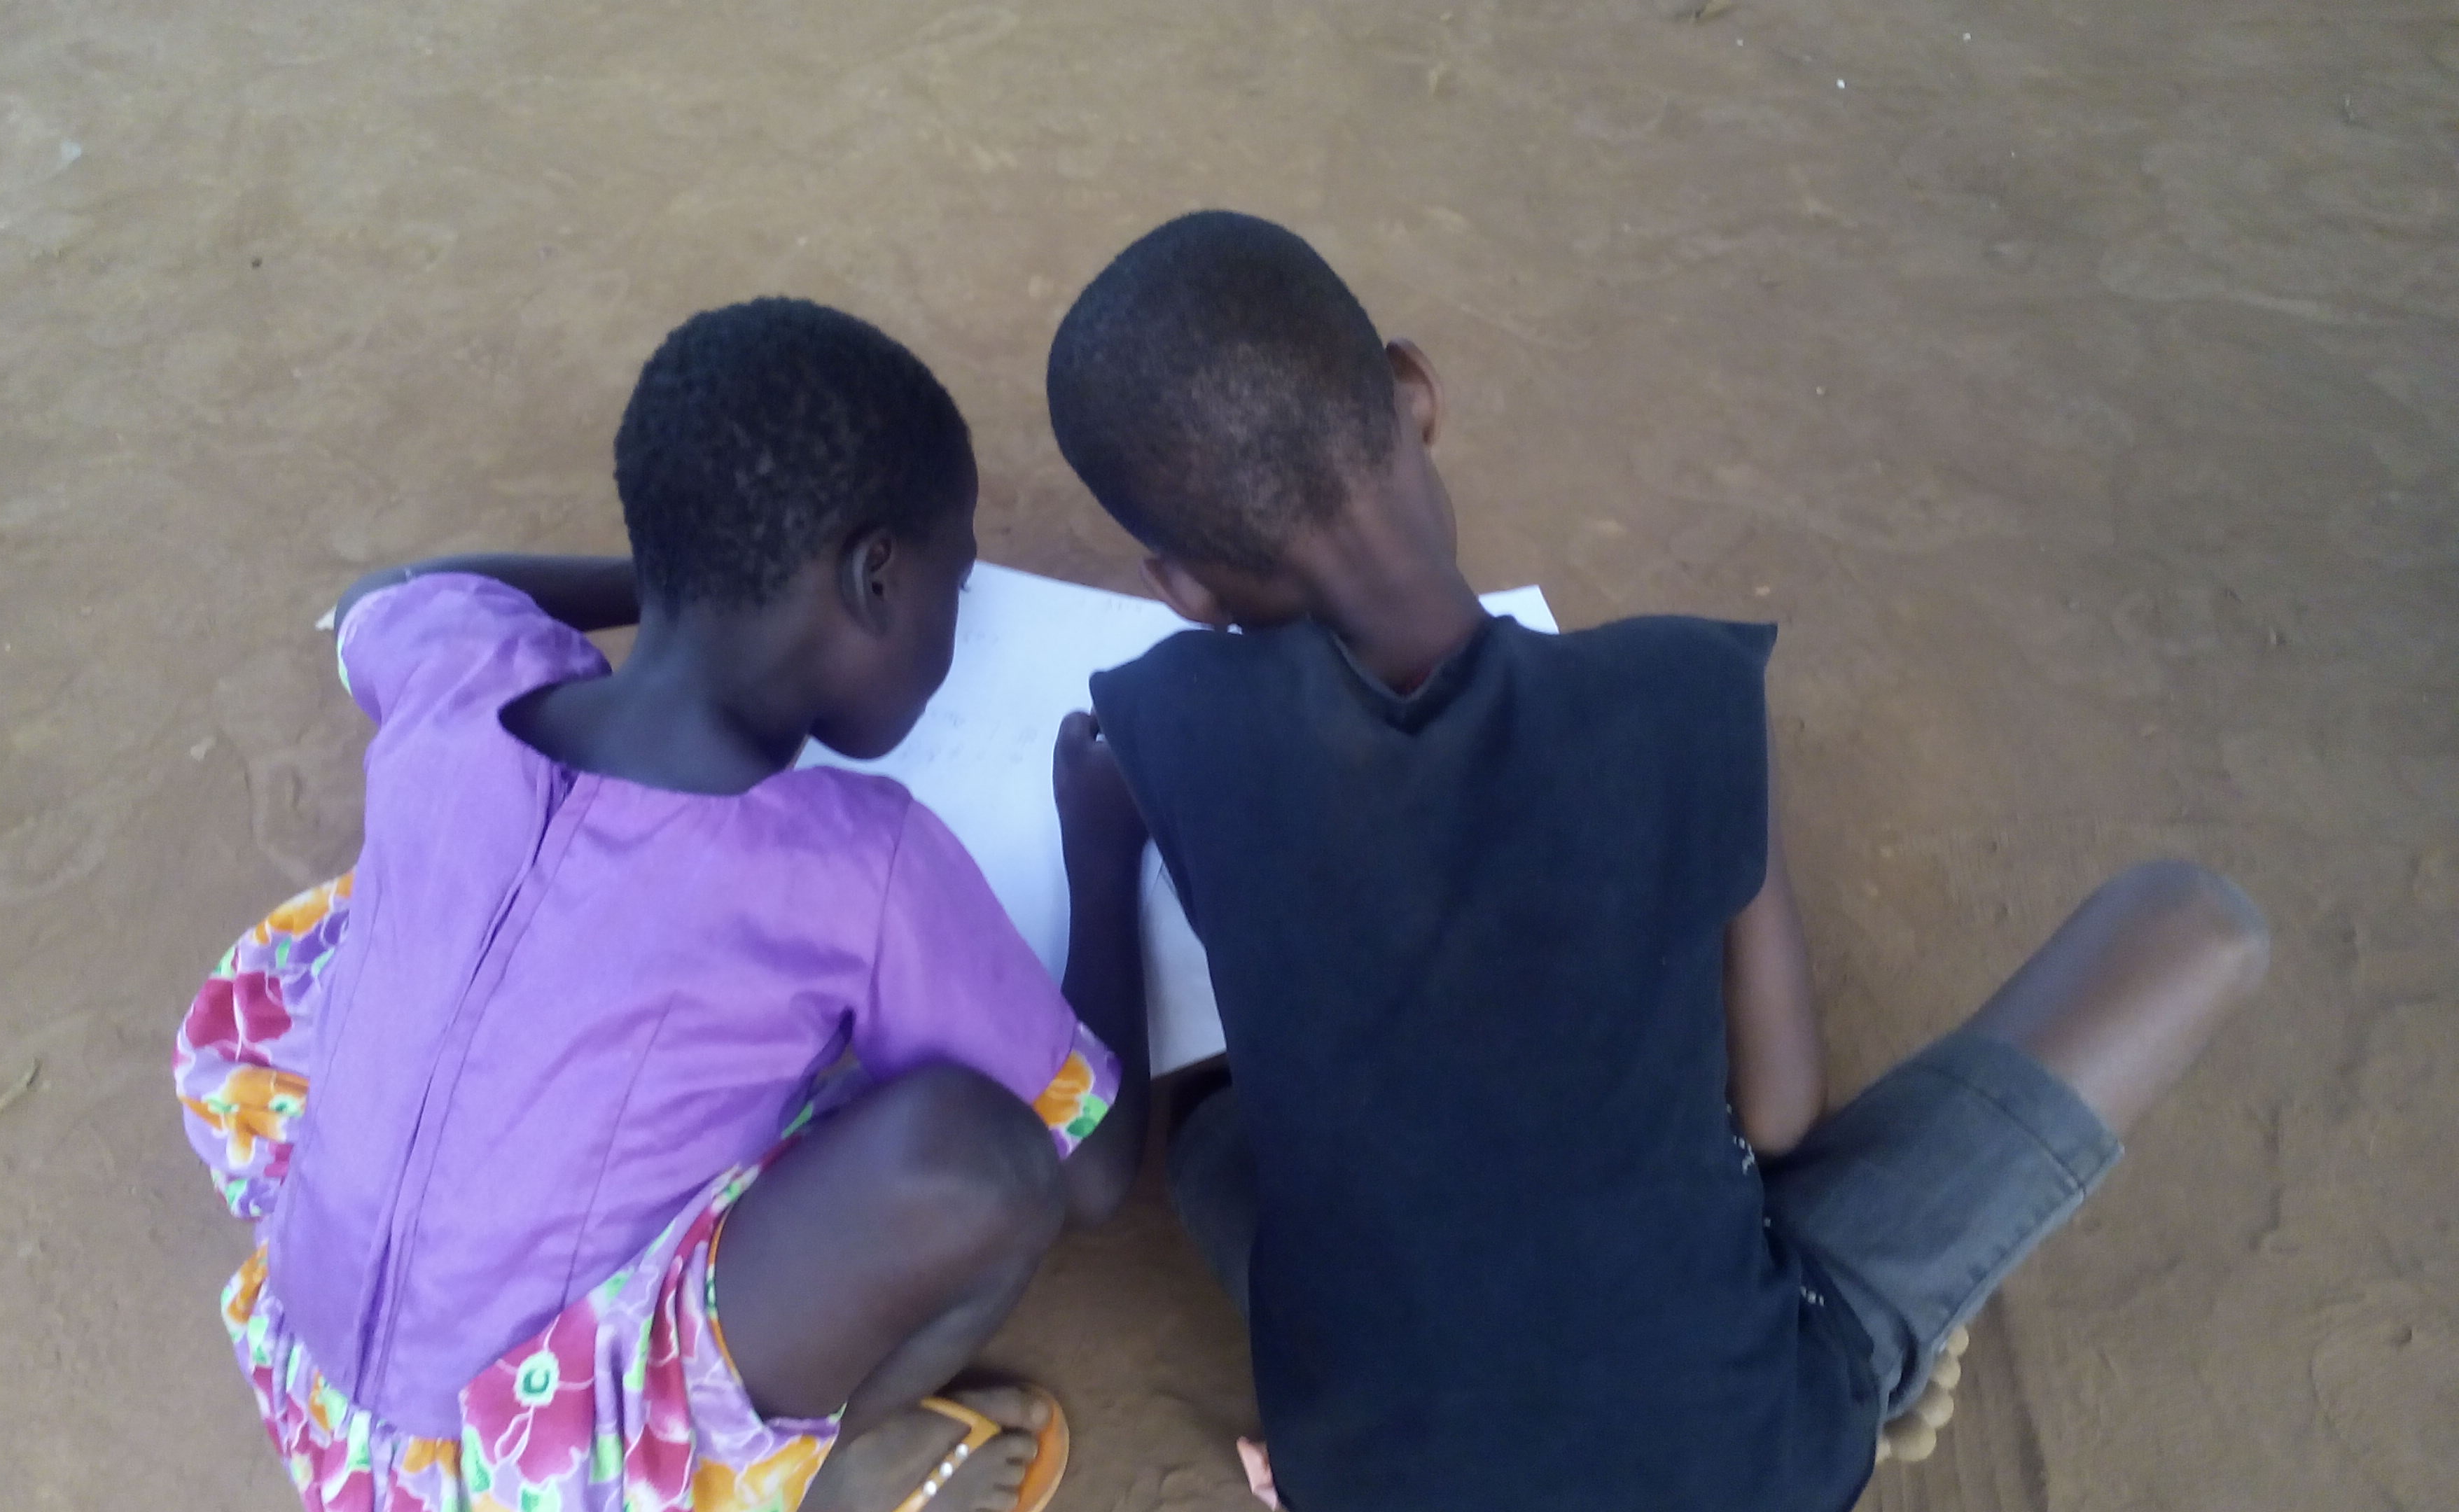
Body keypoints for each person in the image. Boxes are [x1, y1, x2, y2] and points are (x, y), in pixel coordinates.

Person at [1043, 211, 2272, 1512]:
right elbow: (1781, 1115)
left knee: (1219, 1139)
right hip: (1748, 1450)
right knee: (2195, 922)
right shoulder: (1682, 694)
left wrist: (1098, 827)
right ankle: (1812, 1345)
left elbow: (1115, 1131)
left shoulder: (1171, 724)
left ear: (1181, 587)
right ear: (1417, 395)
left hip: (1392, 1470)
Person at [176, 297, 1152, 1512]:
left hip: (322, 1393)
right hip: (526, 1474)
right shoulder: (856, 859)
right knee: (979, 1160)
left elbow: (400, 588)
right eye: (956, 580)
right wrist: (1103, 843)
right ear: (877, 579)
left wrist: (677, 580)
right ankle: (793, 1475)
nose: (961, 614)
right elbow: (1100, 1172)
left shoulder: (464, 672)